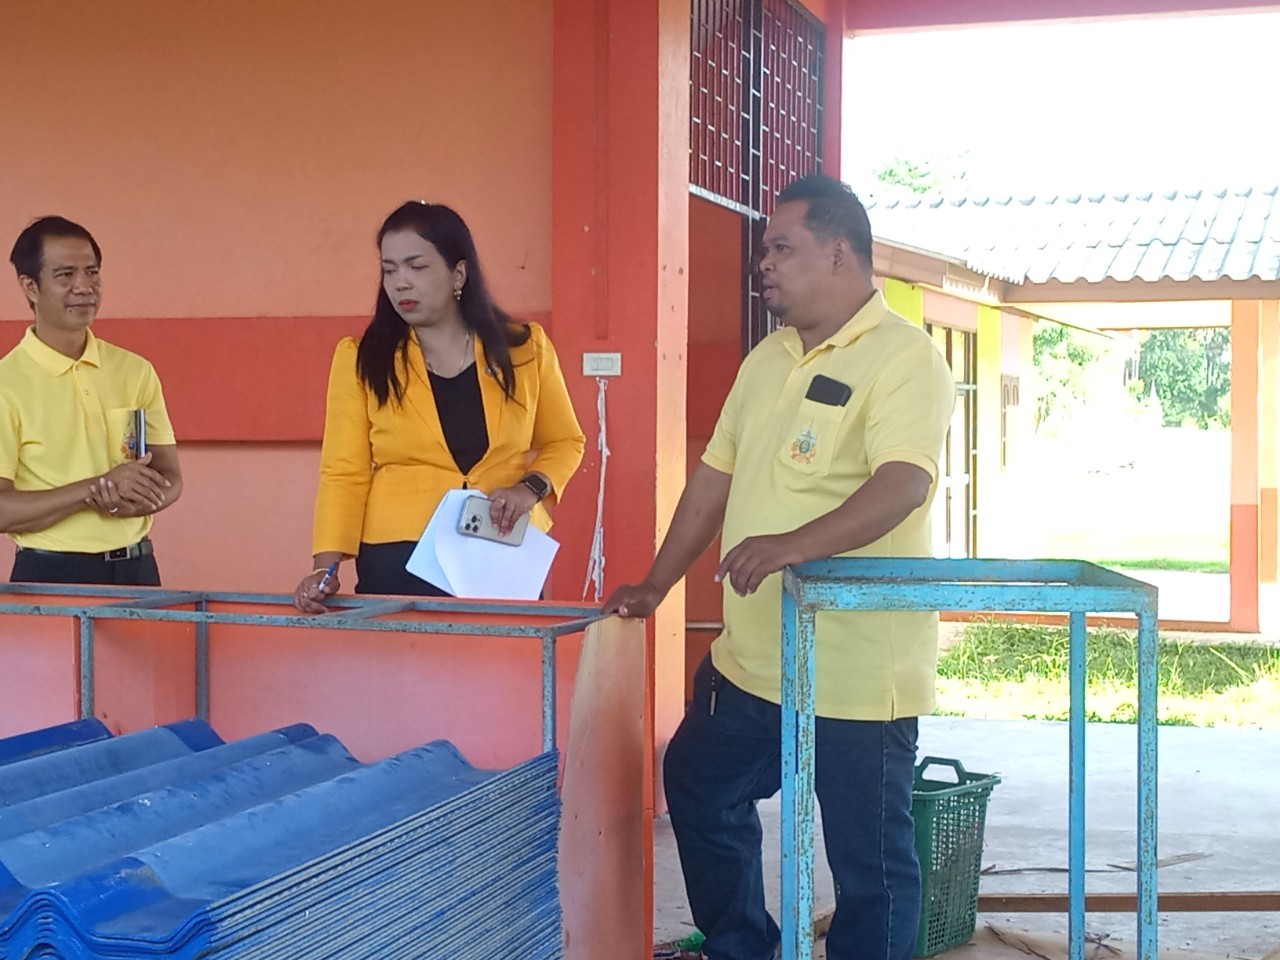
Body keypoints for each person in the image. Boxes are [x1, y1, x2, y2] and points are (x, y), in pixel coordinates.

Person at [604, 175, 956, 960]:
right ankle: (739, 946)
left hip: (856, 672)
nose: (762, 264)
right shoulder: (767, 358)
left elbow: (904, 483)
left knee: (870, 864)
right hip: (754, 661)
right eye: (764, 251)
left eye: (780, 248)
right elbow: (712, 481)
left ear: (839, 252)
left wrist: (795, 544)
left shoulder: (905, 358)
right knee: (699, 783)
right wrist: (658, 583)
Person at [295, 201, 585, 611]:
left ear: (458, 274)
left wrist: (529, 489)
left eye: (416, 266)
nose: (400, 283)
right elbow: (343, 471)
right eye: (389, 270)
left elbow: (566, 441)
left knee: (504, 653)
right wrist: (325, 568)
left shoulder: (524, 348)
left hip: (500, 546)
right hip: (398, 552)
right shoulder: (361, 357)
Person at [0, 217, 182, 586]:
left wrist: (137, 498)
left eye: (92, 272)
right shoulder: (7, 383)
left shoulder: (135, 370)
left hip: (137, 566)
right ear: (30, 286)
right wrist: (96, 489)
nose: (84, 287)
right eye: (65, 275)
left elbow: (171, 477)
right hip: (50, 573)